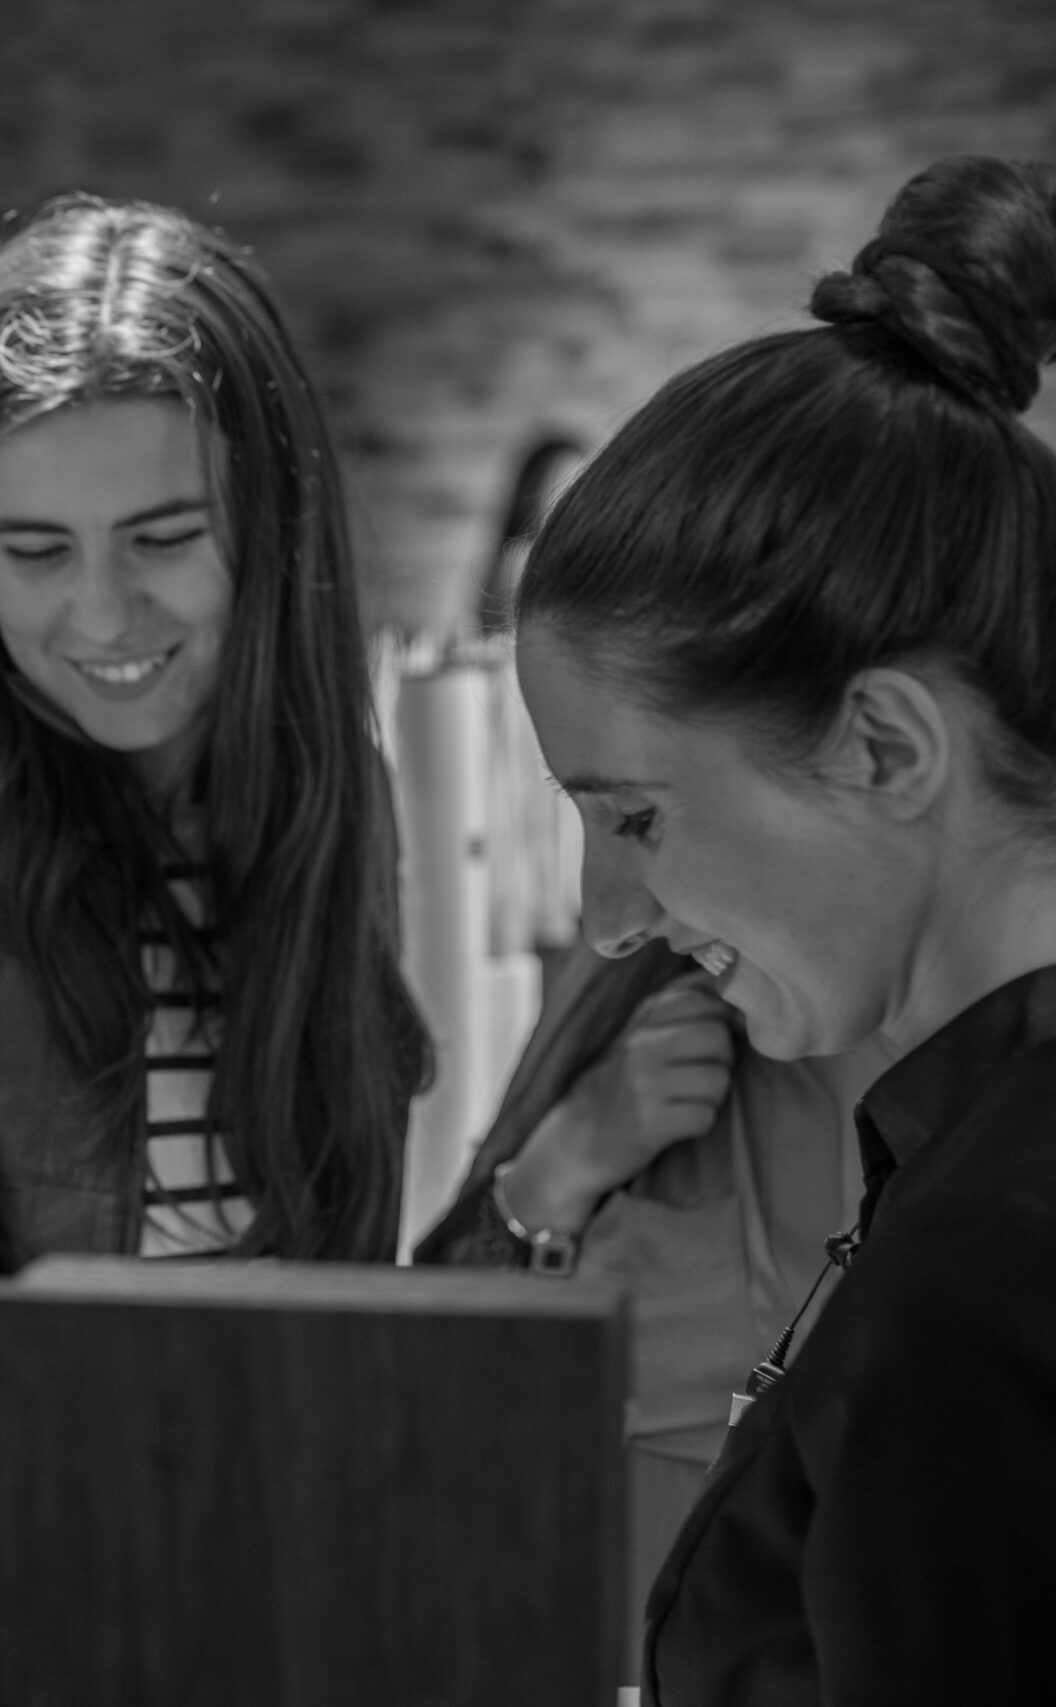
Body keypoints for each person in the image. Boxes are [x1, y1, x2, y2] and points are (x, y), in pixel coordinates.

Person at [511, 155, 1056, 1702]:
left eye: (637, 817)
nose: (612, 921)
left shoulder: (989, 1260)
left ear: (885, 745)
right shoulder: (977, 1167)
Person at [0, 197, 426, 1271]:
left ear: (270, 516)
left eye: (161, 538)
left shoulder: (329, 784)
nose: (106, 616)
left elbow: (346, 1253)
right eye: (35, 551)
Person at [414, 940, 885, 1675]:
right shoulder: (640, 990)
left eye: (636, 821)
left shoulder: (978, 1059)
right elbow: (437, 1350)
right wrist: (561, 1161)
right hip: (616, 1618)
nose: (607, 909)